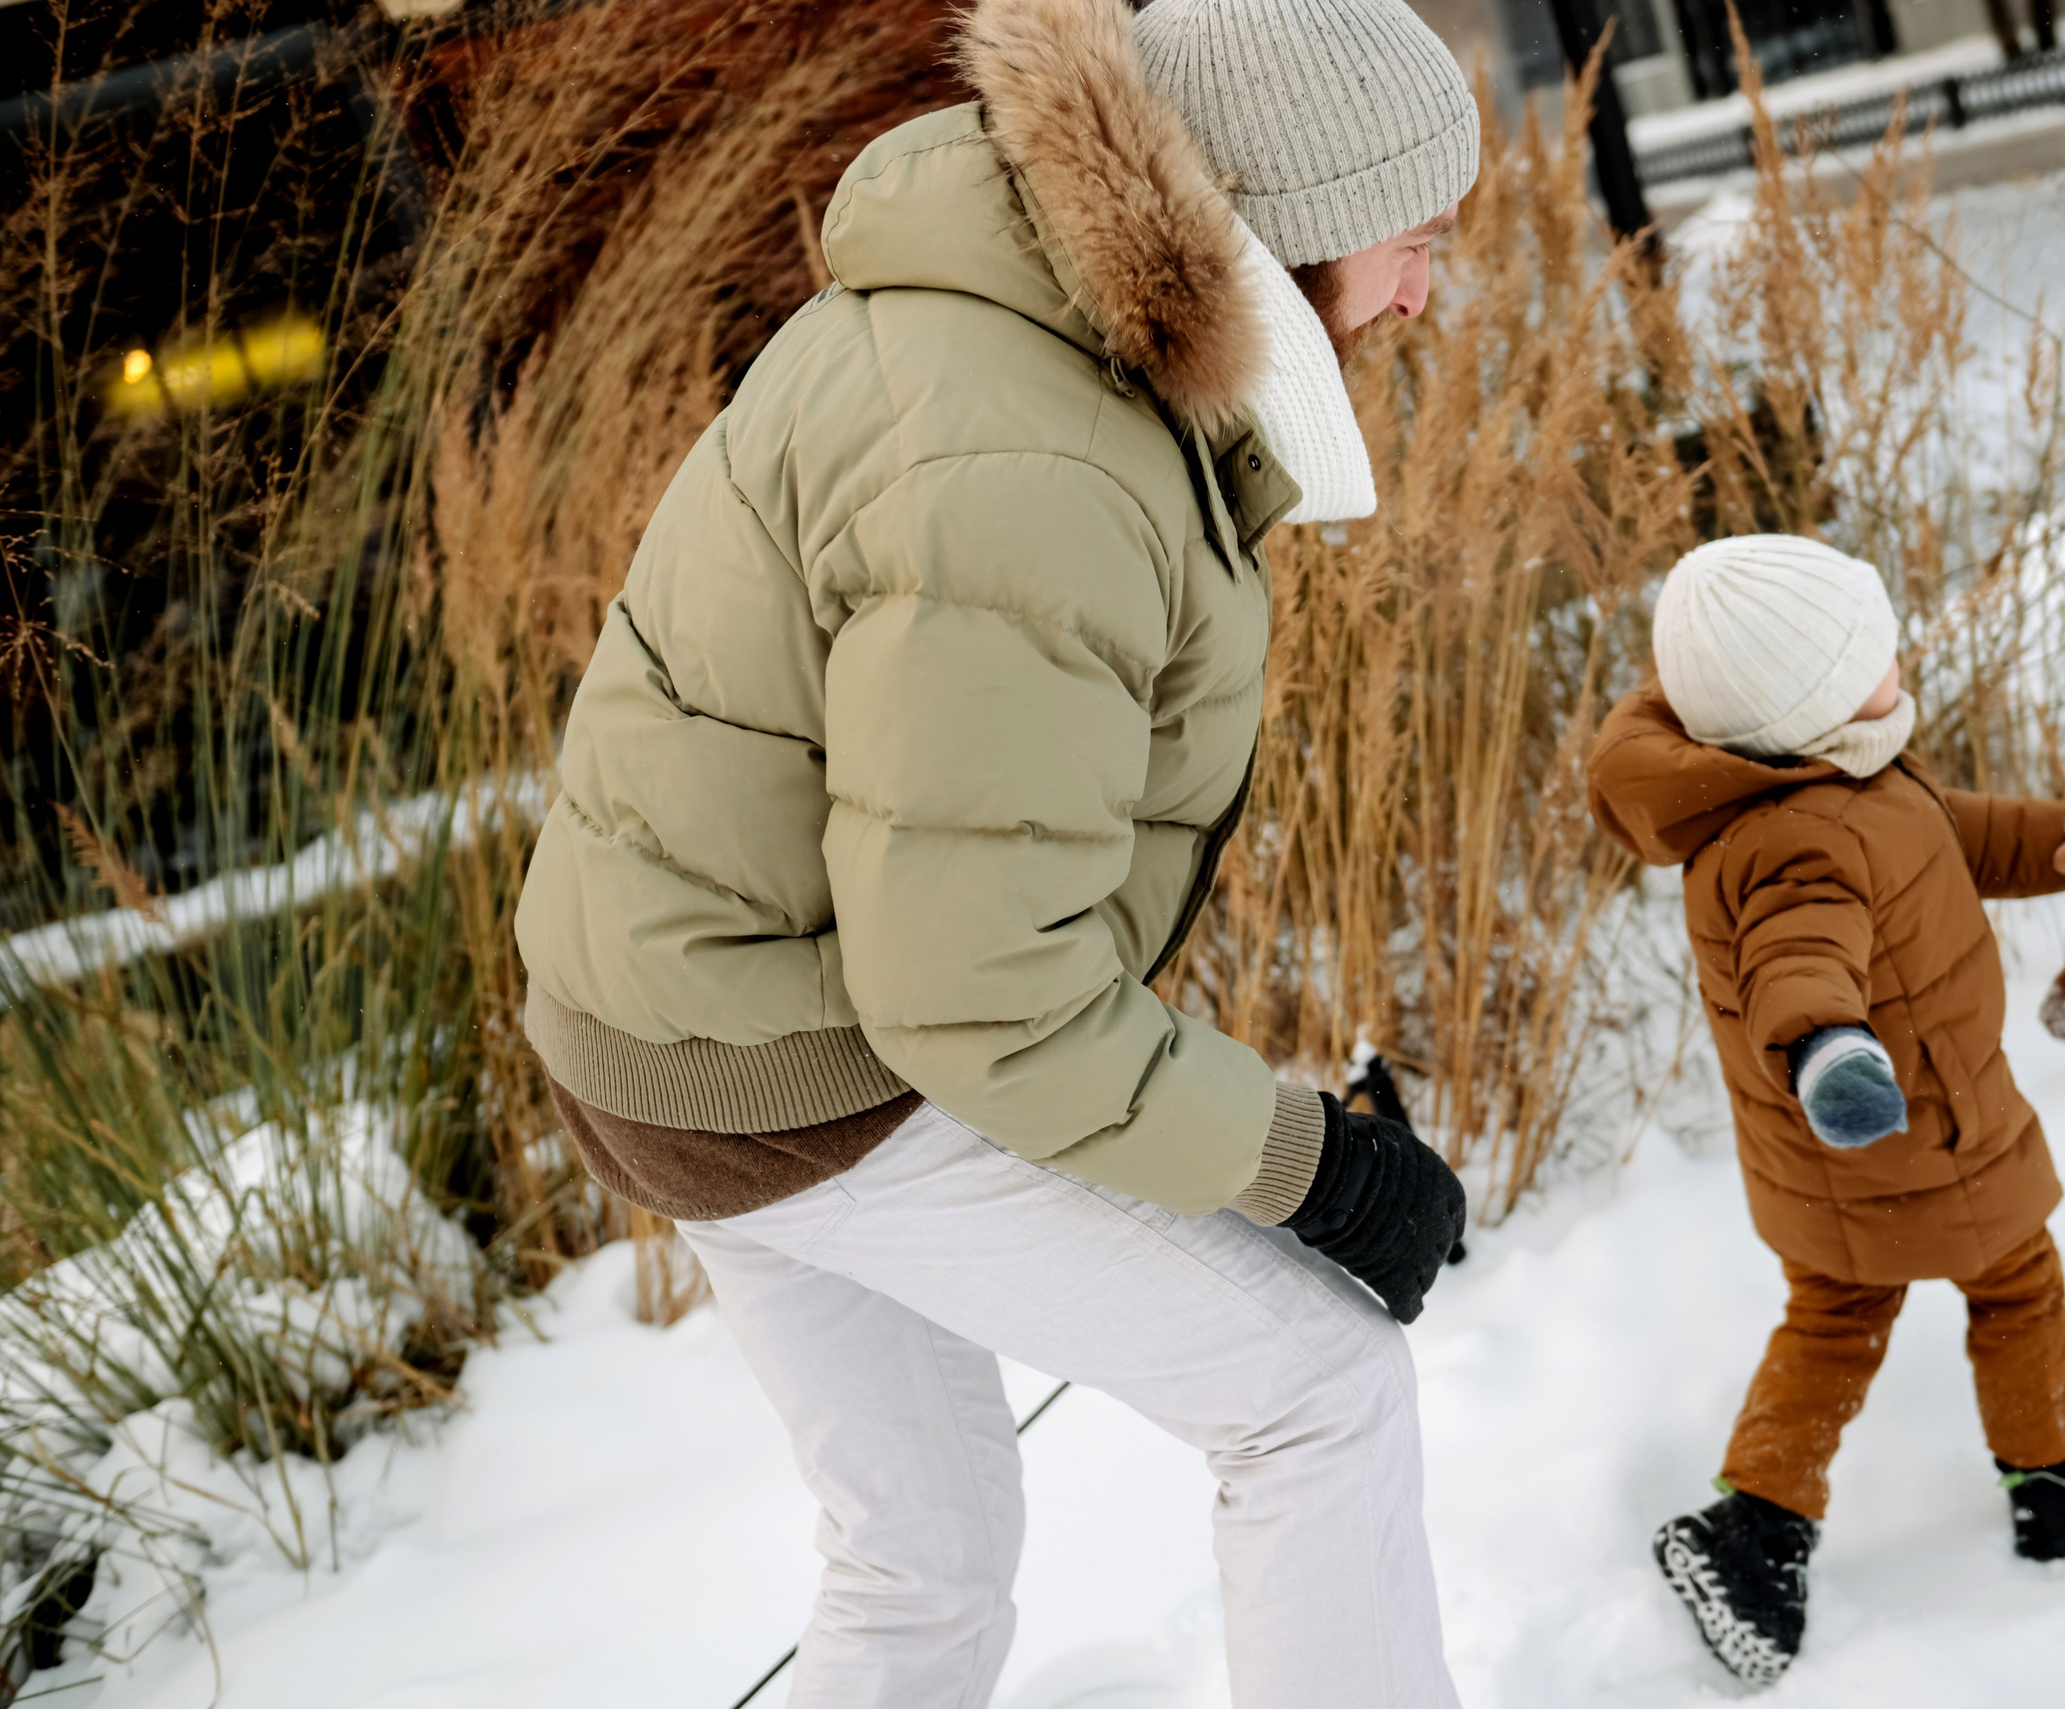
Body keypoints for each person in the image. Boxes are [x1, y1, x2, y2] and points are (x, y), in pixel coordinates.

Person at [508, 0, 1480, 1702]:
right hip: (797, 1069)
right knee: (1317, 1395)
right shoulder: (1036, 454)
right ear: (1292, 225)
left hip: (666, 1034)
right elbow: (979, 992)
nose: (1419, 294)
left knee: (923, 1556)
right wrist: (1309, 1165)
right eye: (1413, 239)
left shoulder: (1010, 320)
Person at [1585, 535, 2065, 1686]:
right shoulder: (1799, 834)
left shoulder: (1832, 775)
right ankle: (2052, 1472)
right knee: (2017, 1284)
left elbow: (1956, 833)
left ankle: (1757, 1520)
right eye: (1870, 654)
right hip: (1922, 1135)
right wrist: (1828, 1048)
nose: (1895, 658)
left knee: (1835, 1315)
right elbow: (1796, 957)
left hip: (1838, 1166)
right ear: (1800, 705)